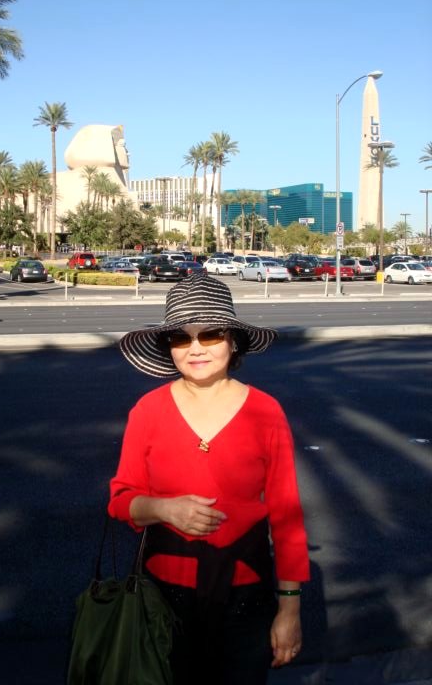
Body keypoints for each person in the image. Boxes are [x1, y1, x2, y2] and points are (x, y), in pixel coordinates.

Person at [108, 273, 309, 685]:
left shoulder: (266, 411)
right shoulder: (147, 410)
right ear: (169, 348)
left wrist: (289, 610)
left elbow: (287, 517)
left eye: (210, 334)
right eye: (181, 338)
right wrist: (164, 509)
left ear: (233, 342)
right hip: (163, 599)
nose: (196, 347)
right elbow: (121, 500)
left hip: (246, 597)